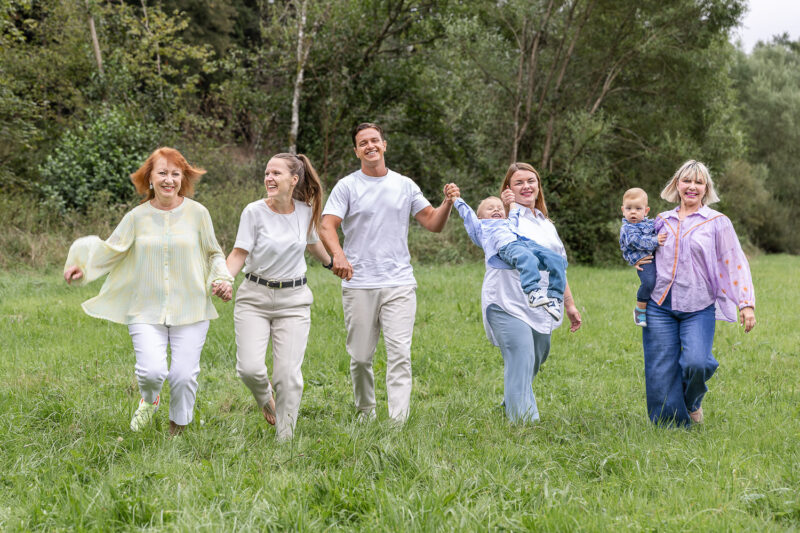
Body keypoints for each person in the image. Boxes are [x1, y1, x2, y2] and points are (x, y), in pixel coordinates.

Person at [64, 147, 233, 435]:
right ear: (150, 178)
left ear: (183, 178)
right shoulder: (136, 217)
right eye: (162, 173)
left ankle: (177, 431)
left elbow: (214, 253)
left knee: (183, 376)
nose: (169, 180)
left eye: (175, 174)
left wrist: (222, 279)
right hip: (145, 308)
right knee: (152, 372)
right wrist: (83, 267)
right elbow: (112, 250)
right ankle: (150, 399)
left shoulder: (198, 214)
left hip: (191, 308)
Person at [318, 122, 457, 423]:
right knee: (360, 358)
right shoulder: (347, 186)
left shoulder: (405, 185)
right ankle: (365, 412)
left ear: (384, 145)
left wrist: (447, 203)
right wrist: (338, 255)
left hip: (399, 282)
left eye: (374, 140)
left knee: (399, 355)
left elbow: (432, 222)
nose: (370, 146)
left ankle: (397, 421)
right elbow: (326, 225)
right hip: (359, 283)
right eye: (363, 143)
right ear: (356, 151)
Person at [217, 153, 332, 441]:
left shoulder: (305, 212)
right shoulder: (253, 212)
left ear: (294, 180)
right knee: (249, 369)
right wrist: (225, 280)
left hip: (294, 301)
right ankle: (265, 397)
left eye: (276, 173)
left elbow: (313, 243)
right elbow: (239, 253)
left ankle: (285, 440)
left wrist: (332, 263)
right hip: (254, 298)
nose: (269, 178)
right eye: (267, 173)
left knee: (287, 376)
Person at [637, 160, 756, 426]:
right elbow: (641, 245)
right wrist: (636, 258)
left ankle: (691, 402)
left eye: (698, 182)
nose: (692, 187)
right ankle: (670, 426)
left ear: (706, 189)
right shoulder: (662, 220)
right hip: (659, 304)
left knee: (697, 363)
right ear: (677, 185)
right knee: (660, 368)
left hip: (698, 306)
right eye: (687, 181)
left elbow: (734, 261)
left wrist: (746, 303)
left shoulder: (717, 222)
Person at [476, 162, 581, 423]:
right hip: (507, 301)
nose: (526, 186)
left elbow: (558, 266)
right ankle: (524, 424)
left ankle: (509, 404)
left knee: (536, 358)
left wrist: (569, 304)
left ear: (538, 186)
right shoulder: (500, 219)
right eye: (518, 182)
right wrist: (505, 207)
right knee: (521, 357)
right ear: (508, 189)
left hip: (543, 305)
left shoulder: (546, 224)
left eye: (531, 181)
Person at [451, 193, 567, 318]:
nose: (496, 210)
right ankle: (533, 291)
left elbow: (514, 214)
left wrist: (512, 202)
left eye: (499, 208)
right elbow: (467, 214)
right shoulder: (481, 227)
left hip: (525, 243)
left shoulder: (509, 222)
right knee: (527, 258)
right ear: (479, 217)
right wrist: (456, 198)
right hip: (507, 247)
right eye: (490, 208)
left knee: (557, 260)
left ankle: (554, 298)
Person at [619, 187, 666, 326]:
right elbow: (636, 241)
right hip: (644, 261)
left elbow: (657, 226)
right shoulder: (627, 228)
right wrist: (655, 240)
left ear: (646, 211)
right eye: (629, 208)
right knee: (649, 282)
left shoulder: (648, 223)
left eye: (638, 208)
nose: (633, 212)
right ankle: (640, 309)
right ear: (623, 210)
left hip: (653, 256)